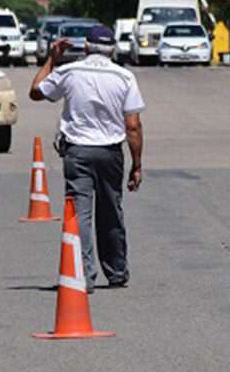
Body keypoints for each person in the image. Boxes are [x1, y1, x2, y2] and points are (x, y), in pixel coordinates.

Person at [29, 25, 145, 291]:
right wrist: (137, 165)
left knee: (80, 214)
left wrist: (52, 58)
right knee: (111, 211)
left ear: (85, 48)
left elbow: (36, 91)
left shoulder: (69, 72)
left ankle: (82, 275)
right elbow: (133, 126)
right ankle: (116, 272)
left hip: (78, 152)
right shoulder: (124, 77)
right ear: (113, 49)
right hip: (110, 153)